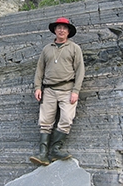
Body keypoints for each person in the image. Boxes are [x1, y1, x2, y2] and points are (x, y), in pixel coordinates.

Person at [30, 17, 85, 166]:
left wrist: (76, 90)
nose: (61, 30)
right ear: (55, 30)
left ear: (68, 32)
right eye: (59, 27)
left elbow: (80, 70)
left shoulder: (74, 48)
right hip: (48, 90)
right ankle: (42, 154)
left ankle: (55, 149)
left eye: (64, 28)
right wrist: (37, 87)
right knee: (45, 121)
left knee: (66, 119)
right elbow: (39, 70)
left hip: (67, 89)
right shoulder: (47, 49)